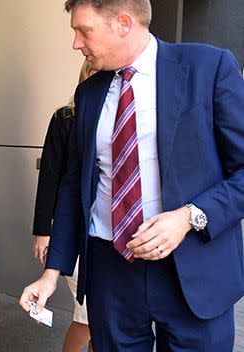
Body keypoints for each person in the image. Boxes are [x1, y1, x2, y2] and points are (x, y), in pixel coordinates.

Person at [20, 0, 244, 350]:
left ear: (123, 23)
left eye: (84, 31)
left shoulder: (209, 67)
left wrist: (189, 217)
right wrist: (52, 273)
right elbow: (74, 185)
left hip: (194, 269)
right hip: (111, 272)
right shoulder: (89, 94)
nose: (76, 43)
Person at [32, 60, 96, 352]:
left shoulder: (119, 120)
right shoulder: (65, 118)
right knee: (87, 317)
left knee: (100, 319)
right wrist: (43, 232)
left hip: (111, 235)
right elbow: (50, 179)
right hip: (75, 229)